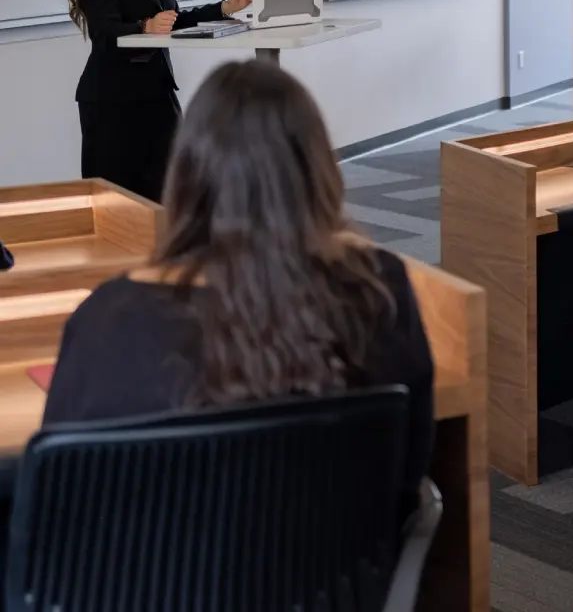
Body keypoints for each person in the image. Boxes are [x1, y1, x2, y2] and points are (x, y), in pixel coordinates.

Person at [45, 60, 435, 511]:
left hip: (163, 579)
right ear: (318, 168)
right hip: (337, 578)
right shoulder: (378, 288)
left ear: (186, 175)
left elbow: (62, 498)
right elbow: (409, 472)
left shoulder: (112, 319)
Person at [64, 0, 254, 201]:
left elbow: (173, 18)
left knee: (171, 188)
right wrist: (145, 25)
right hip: (114, 101)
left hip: (156, 91)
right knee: (119, 198)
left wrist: (225, 8)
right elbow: (104, 32)